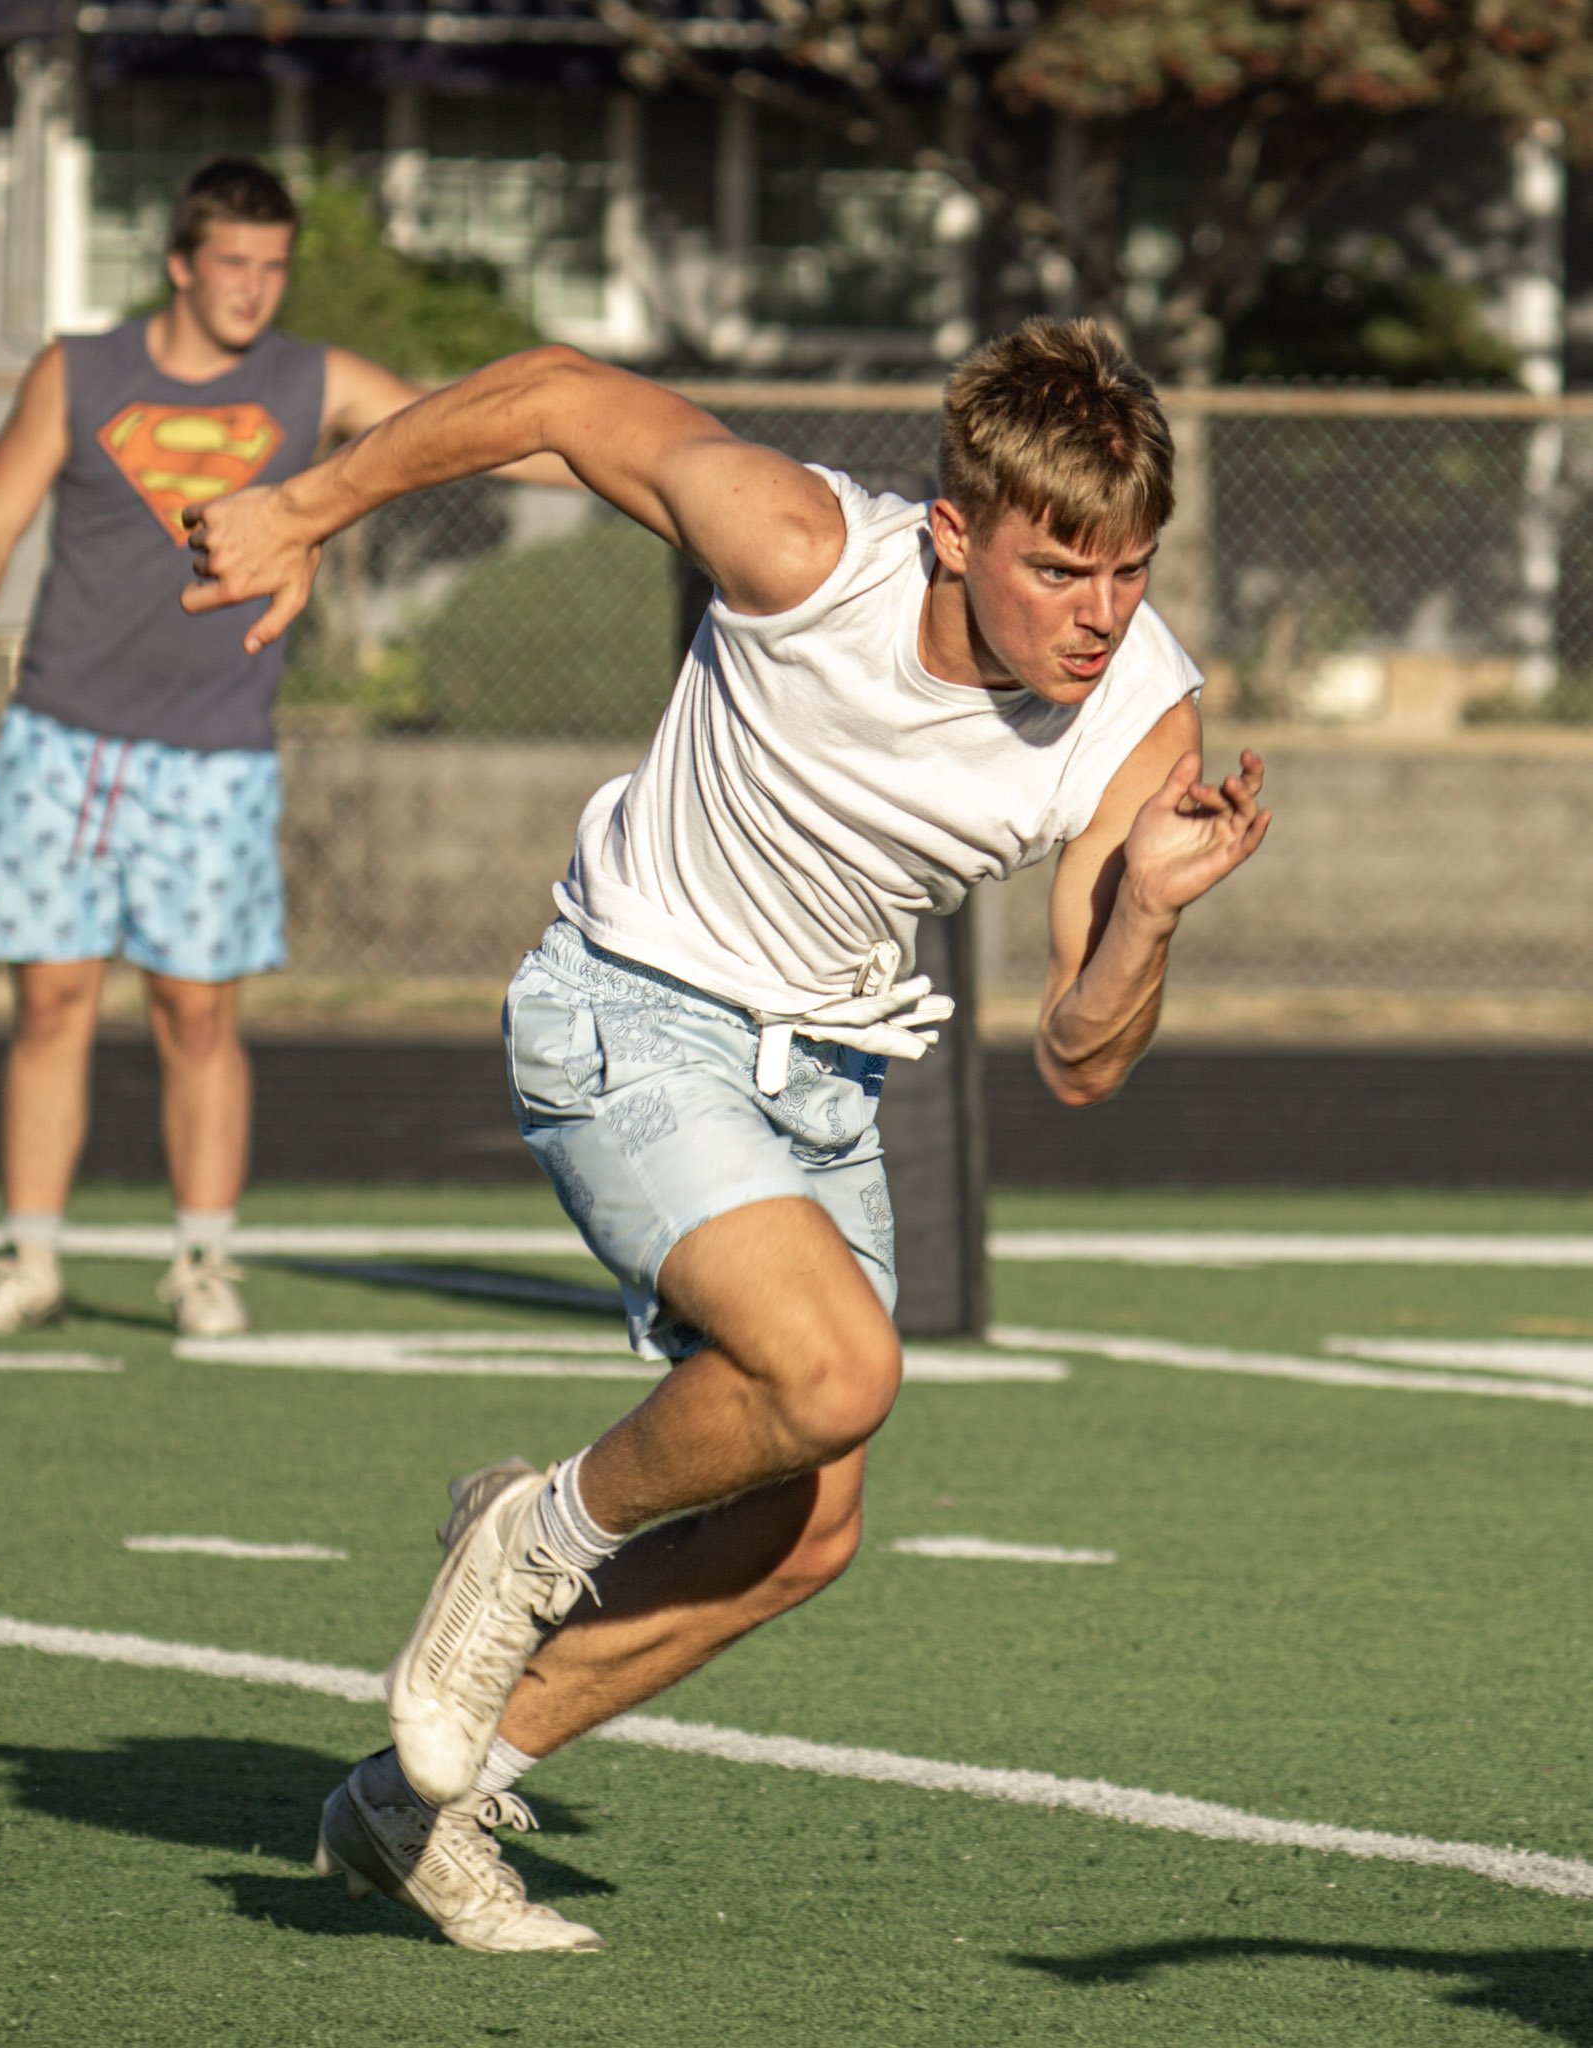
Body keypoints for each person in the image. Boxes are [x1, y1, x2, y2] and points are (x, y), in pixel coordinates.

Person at [181, 317, 1272, 1953]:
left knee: (799, 1522)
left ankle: (412, 1806)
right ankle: (528, 1533)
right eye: (1059, 568)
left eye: (1127, 569)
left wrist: (1150, 922)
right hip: (629, 1009)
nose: (1098, 613)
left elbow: (1075, 1055)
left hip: (826, 1075)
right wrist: (305, 509)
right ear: (956, 531)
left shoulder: (1141, 714)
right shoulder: (801, 546)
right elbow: (549, 392)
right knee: (836, 1371)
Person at [0, 156, 566, 1339]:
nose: (253, 287)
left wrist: (624, 457)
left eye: (272, 266)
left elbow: (468, 434)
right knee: (51, 1001)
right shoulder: (79, 372)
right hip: (62, 734)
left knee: (197, 1011)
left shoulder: (311, 376)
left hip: (215, 751)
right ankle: (28, 1256)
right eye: (231, 262)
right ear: (181, 264)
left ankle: (200, 1262)